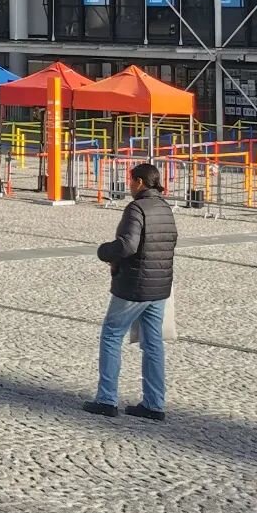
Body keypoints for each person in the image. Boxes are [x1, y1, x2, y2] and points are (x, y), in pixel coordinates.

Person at [85, 162, 176, 422]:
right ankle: (154, 403)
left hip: (135, 285)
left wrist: (105, 251)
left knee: (112, 335)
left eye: (131, 180)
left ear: (139, 182)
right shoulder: (165, 208)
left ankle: (106, 399)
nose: (129, 185)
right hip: (159, 286)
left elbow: (128, 245)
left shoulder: (137, 208)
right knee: (153, 343)